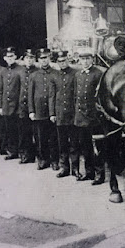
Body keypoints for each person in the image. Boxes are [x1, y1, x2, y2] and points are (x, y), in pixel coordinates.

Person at [74, 51, 106, 184]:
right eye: (83, 59)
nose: (85, 62)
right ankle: (89, 172)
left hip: (95, 117)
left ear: (92, 59)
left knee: (98, 147)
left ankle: (100, 174)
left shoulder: (98, 74)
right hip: (81, 117)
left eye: (87, 59)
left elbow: (102, 95)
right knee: (85, 146)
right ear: (79, 61)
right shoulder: (78, 75)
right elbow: (76, 95)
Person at [49, 51, 81, 179]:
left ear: (67, 60)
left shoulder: (75, 74)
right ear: (57, 63)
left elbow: (77, 95)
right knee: (62, 144)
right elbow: (52, 96)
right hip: (60, 115)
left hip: (72, 115)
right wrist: (52, 113)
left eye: (64, 61)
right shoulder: (54, 76)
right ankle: (64, 168)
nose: (62, 63)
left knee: (74, 144)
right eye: (60, 61)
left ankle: (75, 169)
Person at [28, 48, 59, 170]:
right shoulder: (34, 75)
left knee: (53, 137)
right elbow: (30, 94)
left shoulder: (56, 73)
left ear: (49, 58)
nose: (44, 60)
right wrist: (31, 110)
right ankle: (42, 159)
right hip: (39, 110)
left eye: (46, 57)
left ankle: (54, 161)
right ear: (38, 60)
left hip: (52, 111)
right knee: (40, 138)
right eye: (41, 58)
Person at [0, 47, 23, 160]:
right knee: (10, 130)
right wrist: (0, 106)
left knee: (20, 130)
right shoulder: (3, 71)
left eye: (12, 56)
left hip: (18, 106)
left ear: (15, 57)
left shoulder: (21, 70)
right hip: (7, 106)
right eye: (8, 56)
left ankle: (22, 151)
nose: (10, 58)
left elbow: (23, 89)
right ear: (4, 58)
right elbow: (0, 90)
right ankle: (13, 151)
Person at [18, 49, 38, 164]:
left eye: (31, 58)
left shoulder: (38, 71)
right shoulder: (20, 72)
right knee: (24, 133)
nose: (29, 60)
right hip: (23, 106)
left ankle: (39, 155)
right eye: (27, 58)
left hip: (35, 107)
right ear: (24, 59)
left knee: (36, 132)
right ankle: (26, 155)